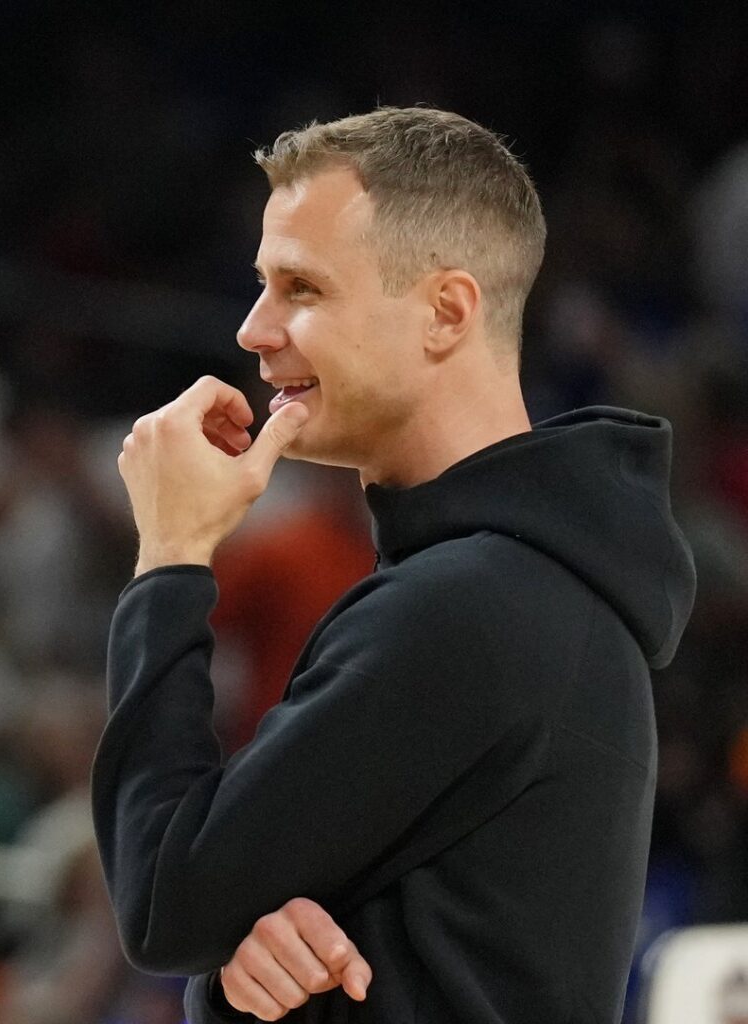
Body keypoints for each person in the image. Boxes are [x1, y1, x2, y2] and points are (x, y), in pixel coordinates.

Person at [92, 106, 697, 1023]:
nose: (254, 329)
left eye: (302, 287)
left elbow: (165, 905)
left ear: (446, 313)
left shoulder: (469, 606)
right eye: (261, 285)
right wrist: (234, 962)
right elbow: (213, 919)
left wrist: (171, 557)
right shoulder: (530, 582)